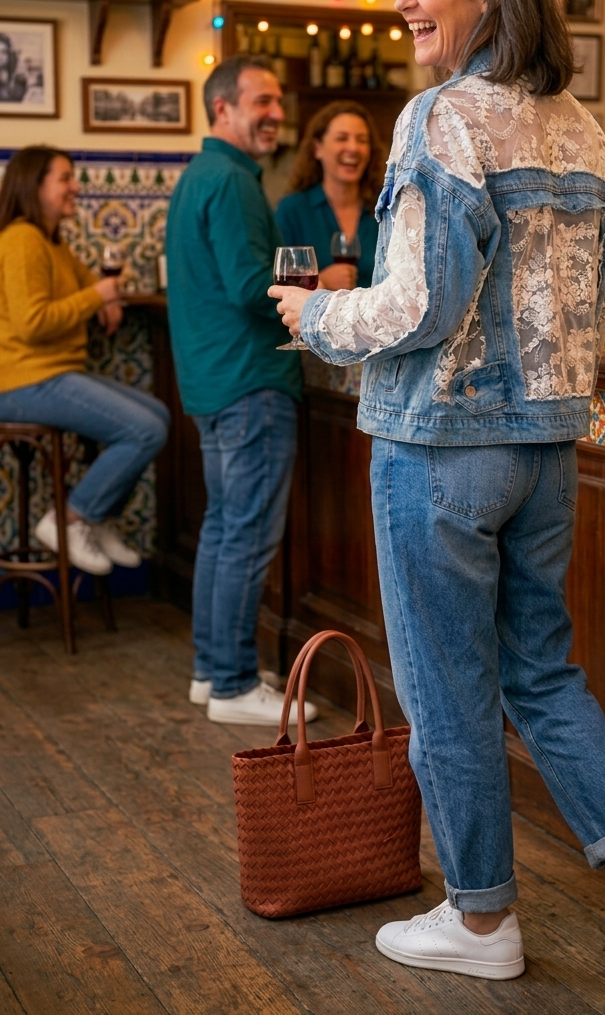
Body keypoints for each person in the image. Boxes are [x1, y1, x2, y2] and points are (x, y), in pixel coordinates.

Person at [270, 0, 605, 980]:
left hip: (437, 449)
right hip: (546, 451)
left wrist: (315, 318)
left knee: (445, 688)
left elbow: (414, 306)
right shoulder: (582, 126)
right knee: (542, 675)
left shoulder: (441, 118)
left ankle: (479, 922)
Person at [165, 55, 316, 728]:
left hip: (214, 382)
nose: (275, 113)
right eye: (262, 100)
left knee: (225, 532)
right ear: (222, 108)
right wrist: (320, 293)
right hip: (250, 380)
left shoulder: (202, 174)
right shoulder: (230, 181)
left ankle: (211, 670)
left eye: (278, 101)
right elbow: (250, 286)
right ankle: (231, 683)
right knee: (245, 535)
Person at [0, 146, 169, 575]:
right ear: (34, 186)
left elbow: (89, 285)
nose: (76, 187)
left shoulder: (52, 240)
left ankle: (98, 516)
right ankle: (72, 518)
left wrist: (100, 299)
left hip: (50, 372)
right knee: (144, 429)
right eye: (65, 178)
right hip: (21, 379)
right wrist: (97, 298)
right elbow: (32, 323)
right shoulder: (22, 238)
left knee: (157, 413)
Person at [275, 102, 383, 291]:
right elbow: (276, 290)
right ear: (318, 148)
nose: (353, 148)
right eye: (342, 138)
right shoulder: (292, 210)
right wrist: (320, 282)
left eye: (362, 140)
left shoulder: (385, 209)